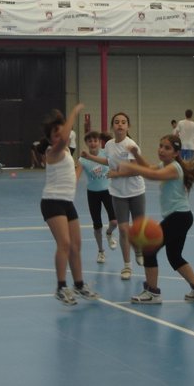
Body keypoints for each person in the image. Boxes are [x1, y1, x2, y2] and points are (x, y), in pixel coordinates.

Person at [109, 134, 194, 304]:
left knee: (149, 248)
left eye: (167, 148)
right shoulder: (166, 164)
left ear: (176, 153)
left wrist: (129, 167)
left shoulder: (174, 168)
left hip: (179, 216)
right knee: (175, 257)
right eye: (161, 146)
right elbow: (150, 168)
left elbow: (152, 175)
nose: (161, 150)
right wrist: (137, 155)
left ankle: (152, 293)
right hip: (181, 217)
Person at [41, 104, 99, 305]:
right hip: (52, 202)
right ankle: (60, 287)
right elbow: (65, 137)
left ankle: (79, 284)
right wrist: (73, 113)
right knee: (64, 243)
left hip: (67, 202)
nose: (61, 136)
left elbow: (72, 179)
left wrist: (81, 165)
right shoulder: (52, 151)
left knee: (76, 245)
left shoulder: (65, 153)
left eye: (61, 132)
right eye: (56, 134)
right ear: (50, 139)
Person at [80, 112, 146, 280]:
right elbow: (109, 162)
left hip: (136, 191)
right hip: (118, 193)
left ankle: (138, 249)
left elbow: (133, 169)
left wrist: (115, 174)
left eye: (124, 122)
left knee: (137, 229)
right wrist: (91, 157)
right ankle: (127, 266)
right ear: (112, 126)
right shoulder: (108, 144)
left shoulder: (131, 145)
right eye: (117, 122)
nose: (120, 125)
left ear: (128, 126)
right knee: (123, 229)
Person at [76, 131, 118, 264]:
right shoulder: (82, 159)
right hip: (92, 194)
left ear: (99, 142)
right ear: (87, 143)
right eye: (90, 141)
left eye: (95, 140)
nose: (93, 143)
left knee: (114, 222)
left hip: (108, 192)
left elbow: (115, 167)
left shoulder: (105, 154)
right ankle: (101, 251)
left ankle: (109, 233)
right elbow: (76, 176)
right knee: (97, 225)